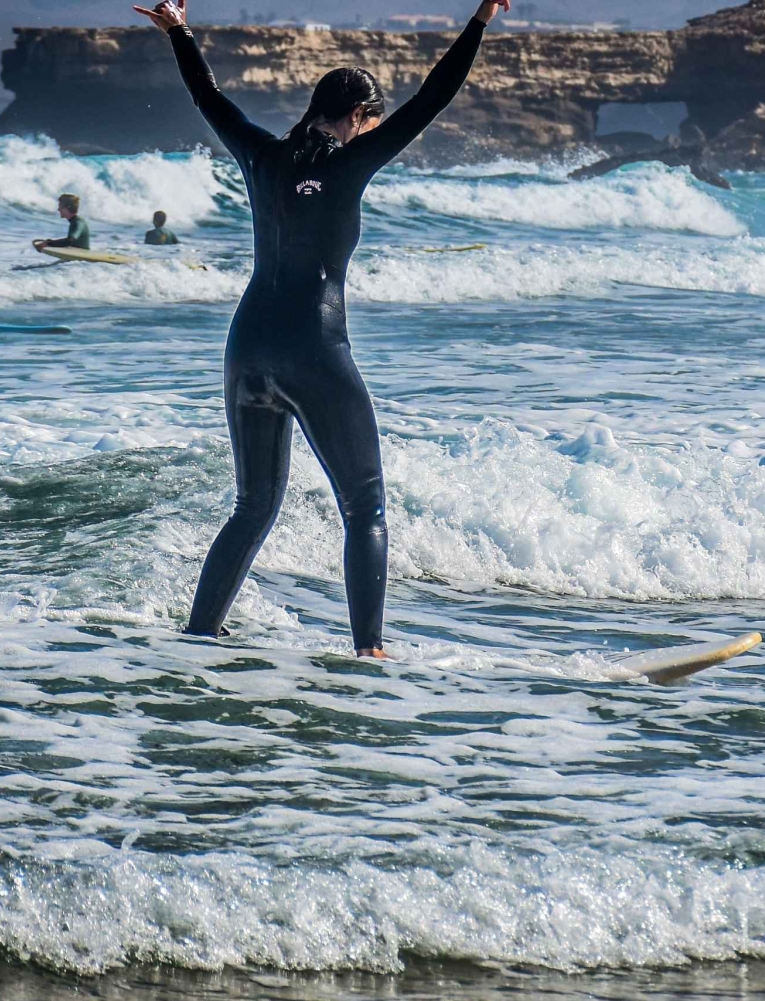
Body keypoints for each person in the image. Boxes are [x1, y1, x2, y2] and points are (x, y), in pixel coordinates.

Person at [132, 0, 505, 656]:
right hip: (315, 349)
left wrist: (179, 33)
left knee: (252, 507)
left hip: (247, 350)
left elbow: (209, 99)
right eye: (371, 122)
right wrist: (479, 19)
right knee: (366, 508)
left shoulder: (262, 156)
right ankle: (370, 652)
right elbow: (434, 98)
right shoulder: (346, 165)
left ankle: (198, 637)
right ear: (359, 118)